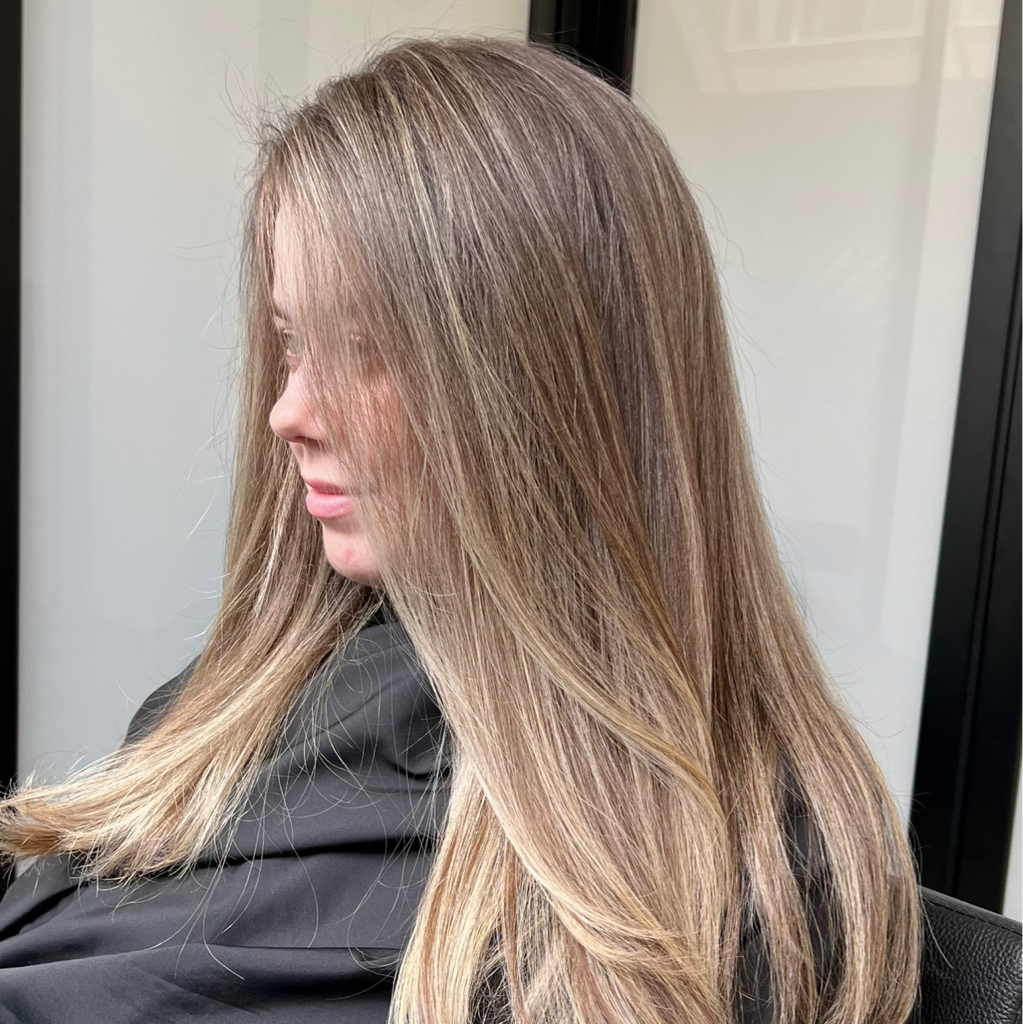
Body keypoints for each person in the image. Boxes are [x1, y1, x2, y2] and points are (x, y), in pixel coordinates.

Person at [0, 35, 921, 1024]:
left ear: (553, 387)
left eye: (365, 346)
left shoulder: (747, 890)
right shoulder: (238, 700)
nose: (286, 412)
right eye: (292, 341)